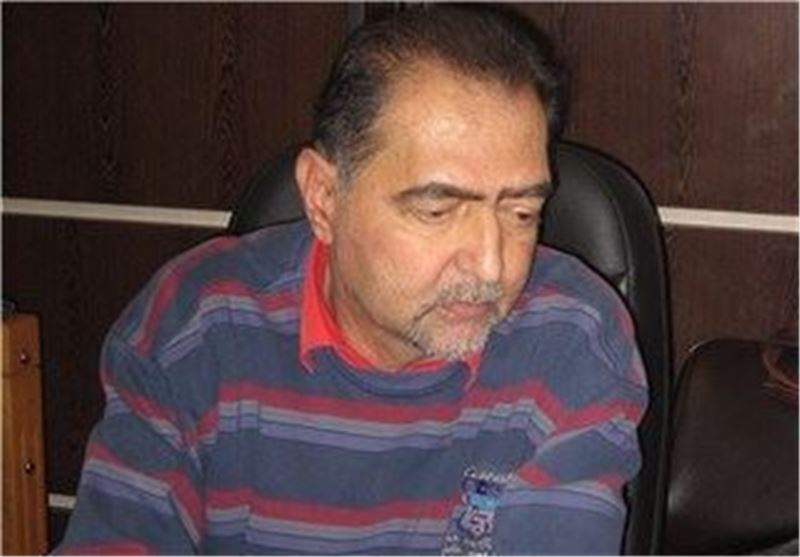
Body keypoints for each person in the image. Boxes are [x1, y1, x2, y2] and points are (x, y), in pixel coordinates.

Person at [57, 5, 647, 555]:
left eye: (521, 213)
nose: (492, 267)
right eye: (437, 210)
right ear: (324, 197)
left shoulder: (572, 338)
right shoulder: (197, 326)